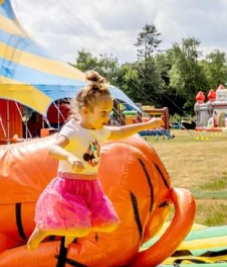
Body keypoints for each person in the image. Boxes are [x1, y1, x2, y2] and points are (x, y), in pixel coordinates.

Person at [27, 71, 164, 251]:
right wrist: (69, 156)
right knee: (81, 227)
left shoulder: (99, 131)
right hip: (69, 185)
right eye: (103, 112)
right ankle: (43, 229)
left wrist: (147, 125)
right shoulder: (73, 130)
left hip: (90, 186)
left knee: (109, 223)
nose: (107, 117)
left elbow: (121, 132)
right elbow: (53, 149)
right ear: (85, 111)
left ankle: (70, 235)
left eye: (109, 112)